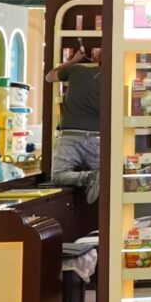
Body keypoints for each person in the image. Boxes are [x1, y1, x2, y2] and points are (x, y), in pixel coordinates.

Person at [51, 41, 103, 205]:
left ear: (95, 58)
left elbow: (49, 76)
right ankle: (97, 176)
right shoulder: (112, 80)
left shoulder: (76, 70)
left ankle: (88, 177)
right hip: (97, 138)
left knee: (59, 175)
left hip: (70, 136)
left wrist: (73, 60)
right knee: (108, 177)